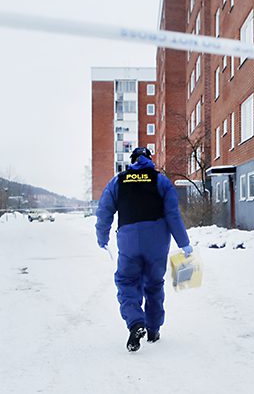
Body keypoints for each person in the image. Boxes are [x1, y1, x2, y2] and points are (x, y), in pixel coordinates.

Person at [95, 147, 193, 352]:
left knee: (126, 281)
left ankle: (135, 322)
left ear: (132, 161)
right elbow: (173, 215)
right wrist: (184, 243)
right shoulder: (161, 181)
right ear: (150, 160)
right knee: (154, 284)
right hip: (157, 243)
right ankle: (153, 329)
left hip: (129, 241)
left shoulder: (118, 181)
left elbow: (104, 211)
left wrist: (102, 237)